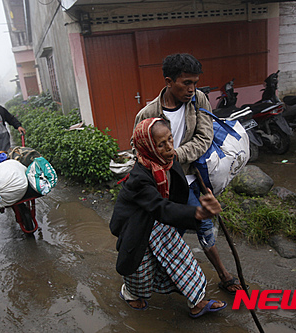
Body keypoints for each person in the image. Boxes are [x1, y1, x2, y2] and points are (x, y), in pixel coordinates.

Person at [132, 53, 244, 294]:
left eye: (195, 82)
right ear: (169, 81)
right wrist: (158, 167)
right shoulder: (148, 114)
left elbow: (204, 138)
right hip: (164, 186)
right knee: (166, 234)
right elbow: (138, 149)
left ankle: (224, 275)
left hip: (193, 179)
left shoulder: (199, 100)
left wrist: (174, 156)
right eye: (186, 83)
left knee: (204, 225)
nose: (192, 89)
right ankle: (157, 278)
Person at [110, 117, 226, 317]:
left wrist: (202, 201)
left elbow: (174, 198)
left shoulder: (169, 161)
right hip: (139, 226)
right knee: (140, 269)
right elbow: (159, 206)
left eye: (170, 139)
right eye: (161, 144)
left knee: (181, 258)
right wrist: (197, 213)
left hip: (161, 222)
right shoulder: (139, 177)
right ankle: (130, 294)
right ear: (147, 146)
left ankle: (197, 302)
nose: (169, 147)